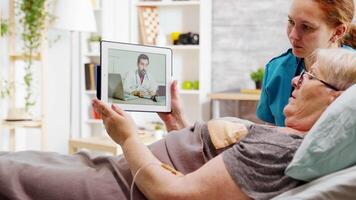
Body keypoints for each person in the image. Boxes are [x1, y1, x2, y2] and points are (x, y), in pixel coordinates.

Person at [0, 49, 355, 199]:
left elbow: (174, 194)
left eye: (309, 77)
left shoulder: (278, 151)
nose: (295, 80)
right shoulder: (287, 139)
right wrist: (177, 122)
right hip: (117, 170)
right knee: (17, 160)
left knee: (9, 172)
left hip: (122, 185)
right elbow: (200, 167)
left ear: (335, 99)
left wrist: (126, 138)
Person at [256, 0, 356, 126]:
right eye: (291, 22)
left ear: (338, 32)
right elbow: (270, 132)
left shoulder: (352, 74)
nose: (293, 35)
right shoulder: (276, 70)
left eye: (307, 27)